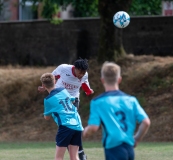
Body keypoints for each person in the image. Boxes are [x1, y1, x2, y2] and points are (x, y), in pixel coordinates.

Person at [83, 61, 150, 160]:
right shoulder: (131, 100)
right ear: (119, 80)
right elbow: (146, 122)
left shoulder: (98, 102)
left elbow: (93, 127)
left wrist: (85, 132)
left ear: (102, 80)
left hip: (113, 148)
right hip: (129, 148)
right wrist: (137, 138)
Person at [38, 58, 94, 160]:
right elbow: (51, 78)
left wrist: (88, 91)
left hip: (72, 100)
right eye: (80, 72)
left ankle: (79, 153)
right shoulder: (63, 68)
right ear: (75, 68)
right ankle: (78, 154)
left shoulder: (84, 75)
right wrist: (44, 87)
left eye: (83, 73)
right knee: (73, 126)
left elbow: (85, 84)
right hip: (59, 97)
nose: (81, 75)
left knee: (68, 127)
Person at [40, 72, 83, 160]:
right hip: (77, 124)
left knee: (58, 157)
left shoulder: (48, 100)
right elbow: (72, 101)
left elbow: (47, 117)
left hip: (65, 126)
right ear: (55, 81)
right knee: (74, 157)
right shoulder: (63, 90)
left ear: (43, 85)